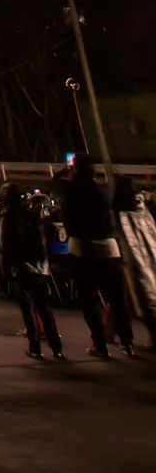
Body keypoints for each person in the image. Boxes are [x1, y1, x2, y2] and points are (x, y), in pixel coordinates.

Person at [59, 153, 135, 358]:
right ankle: (127, 342)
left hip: (82, 249)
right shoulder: (104, 189)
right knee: (117, 300)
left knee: (89, 301)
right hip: (109, 248)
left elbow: (55, 182)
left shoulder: (71, 189)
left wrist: (67, 170)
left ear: (75, 169)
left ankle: (100, 344)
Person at [0, 183, 62, 359]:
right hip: (41, 266)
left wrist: (5, 269)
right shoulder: (33, 216)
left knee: (27, 309)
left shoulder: (7, 218)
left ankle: (35, 347)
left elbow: (5, 247)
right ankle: (56, 347)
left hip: (22, 267)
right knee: (44, 308)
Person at [113, 176, 156, 349]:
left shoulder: (119, 212)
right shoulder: (143, 210)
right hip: (151, 257)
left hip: (131, 262)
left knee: (140, 299)